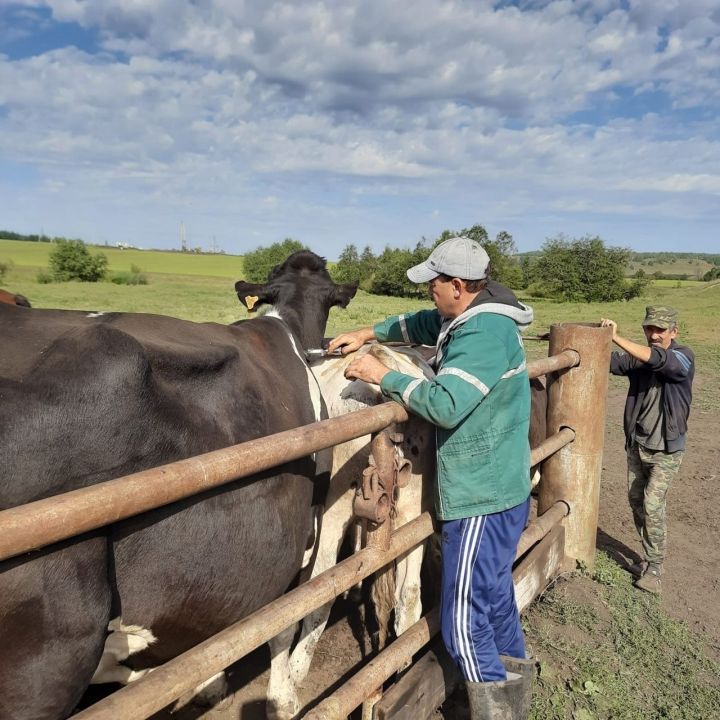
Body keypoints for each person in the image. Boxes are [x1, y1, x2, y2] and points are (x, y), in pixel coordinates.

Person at [328, 236, 536, 719]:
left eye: (434, 284)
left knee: (463, 622)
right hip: (501, 486)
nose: (430, 293)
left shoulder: (483, 336)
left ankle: (498, 713)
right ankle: (515, 700)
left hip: (481, 495)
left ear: (458, 286)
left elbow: (444, 404)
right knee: (497, 598)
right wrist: (369, 330)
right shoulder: (472, 315)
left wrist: (384, 376)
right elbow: (422, 322)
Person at [600, 307, 694, 595]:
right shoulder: (639, 359)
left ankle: (655, 566)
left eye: (660, 330)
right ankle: (646, 556)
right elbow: (612, 362)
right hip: (638, 444)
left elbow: (661, 361)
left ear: (674, 332)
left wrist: (615, 336)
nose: (654, 335)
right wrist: (581, 338)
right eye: (649, 329)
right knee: (636, 501)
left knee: (653, 505)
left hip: (666, 449)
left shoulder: (683, 357)